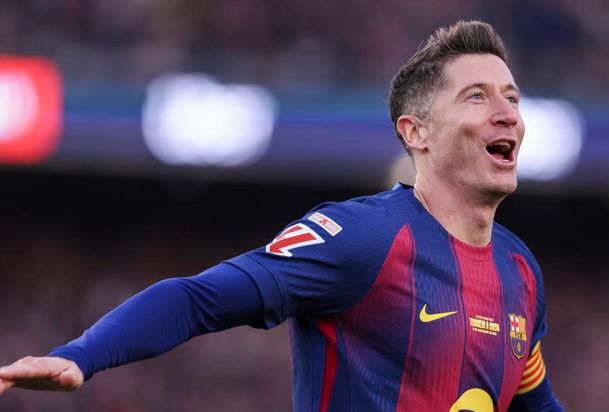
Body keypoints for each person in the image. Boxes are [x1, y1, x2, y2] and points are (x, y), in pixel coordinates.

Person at [0, 20, 563, 411]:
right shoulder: (362, 237)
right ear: (415, 132)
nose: (507, 113)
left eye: (512, 97)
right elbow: (198, 298)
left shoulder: (520, 270)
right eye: (476, 96)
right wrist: (80, 356)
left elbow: (532, 402)